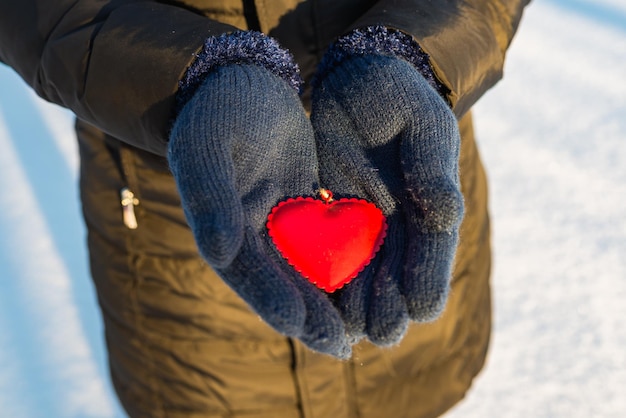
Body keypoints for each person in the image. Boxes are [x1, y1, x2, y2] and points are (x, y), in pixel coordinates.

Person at [0, 1, 530, 417]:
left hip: (404, 165)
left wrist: (413, 51)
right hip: (175, 220)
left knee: (413, 382)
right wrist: (196, 72)